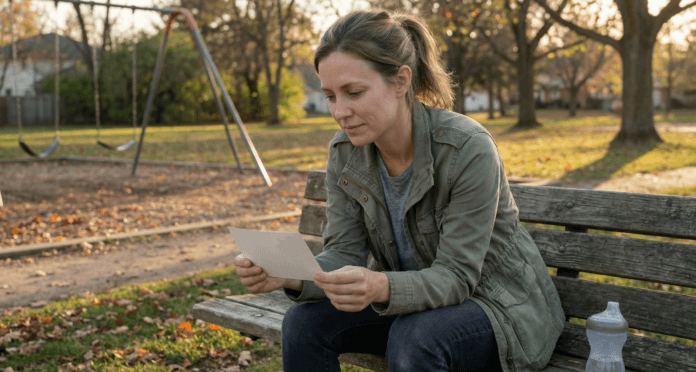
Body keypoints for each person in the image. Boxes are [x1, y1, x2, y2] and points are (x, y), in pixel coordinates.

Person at [233, 9, 565, 372]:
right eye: (330, 96)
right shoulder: (345, 153)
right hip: (409, 307)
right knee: (303, 324)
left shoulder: (467, 148)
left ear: (401, 81)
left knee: (416, 336)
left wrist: (380, 287)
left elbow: (456, 277)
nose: (340, 112)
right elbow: (343, 252)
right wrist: (290, 274)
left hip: (497, 309)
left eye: (354, 92)